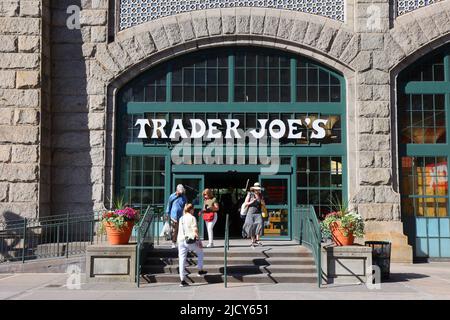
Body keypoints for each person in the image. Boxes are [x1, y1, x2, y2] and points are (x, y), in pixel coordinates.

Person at [178, 203, 207, 287]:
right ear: (191, 209)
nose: (193, 211)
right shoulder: (192, 218)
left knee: (182, 259)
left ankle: (182, 280)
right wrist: (198, 240)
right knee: (200, 252)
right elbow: (195, 229)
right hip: (190, 240)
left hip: (181, 240)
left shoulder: (181, 218)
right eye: (193, 210)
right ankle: (200, 270)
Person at [242, 182, 265, 247]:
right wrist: (252, 201)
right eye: (256, 189)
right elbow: (245, 203)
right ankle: (253, 240)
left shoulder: (261, 195)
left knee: (259, 224)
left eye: (258, 189)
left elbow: (263, 204)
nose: (257, 190)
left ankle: (257, 240)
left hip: (258, 212)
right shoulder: (250, 194)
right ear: (254, 189)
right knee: (251, 225)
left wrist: (262, 202)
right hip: (250, 212)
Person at [166, 184, 187, 249]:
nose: (181, 193)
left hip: (181, 216)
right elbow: (169, 205)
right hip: (173, 215)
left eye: (182, 192)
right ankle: (173, 242)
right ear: (177, 190)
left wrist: (185, 214)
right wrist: (167, 213)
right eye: (180, 191)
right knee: (175, 229)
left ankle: (179, 242)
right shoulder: (172, 196)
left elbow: (185, 206)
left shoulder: (184, 197)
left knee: (180, 230)